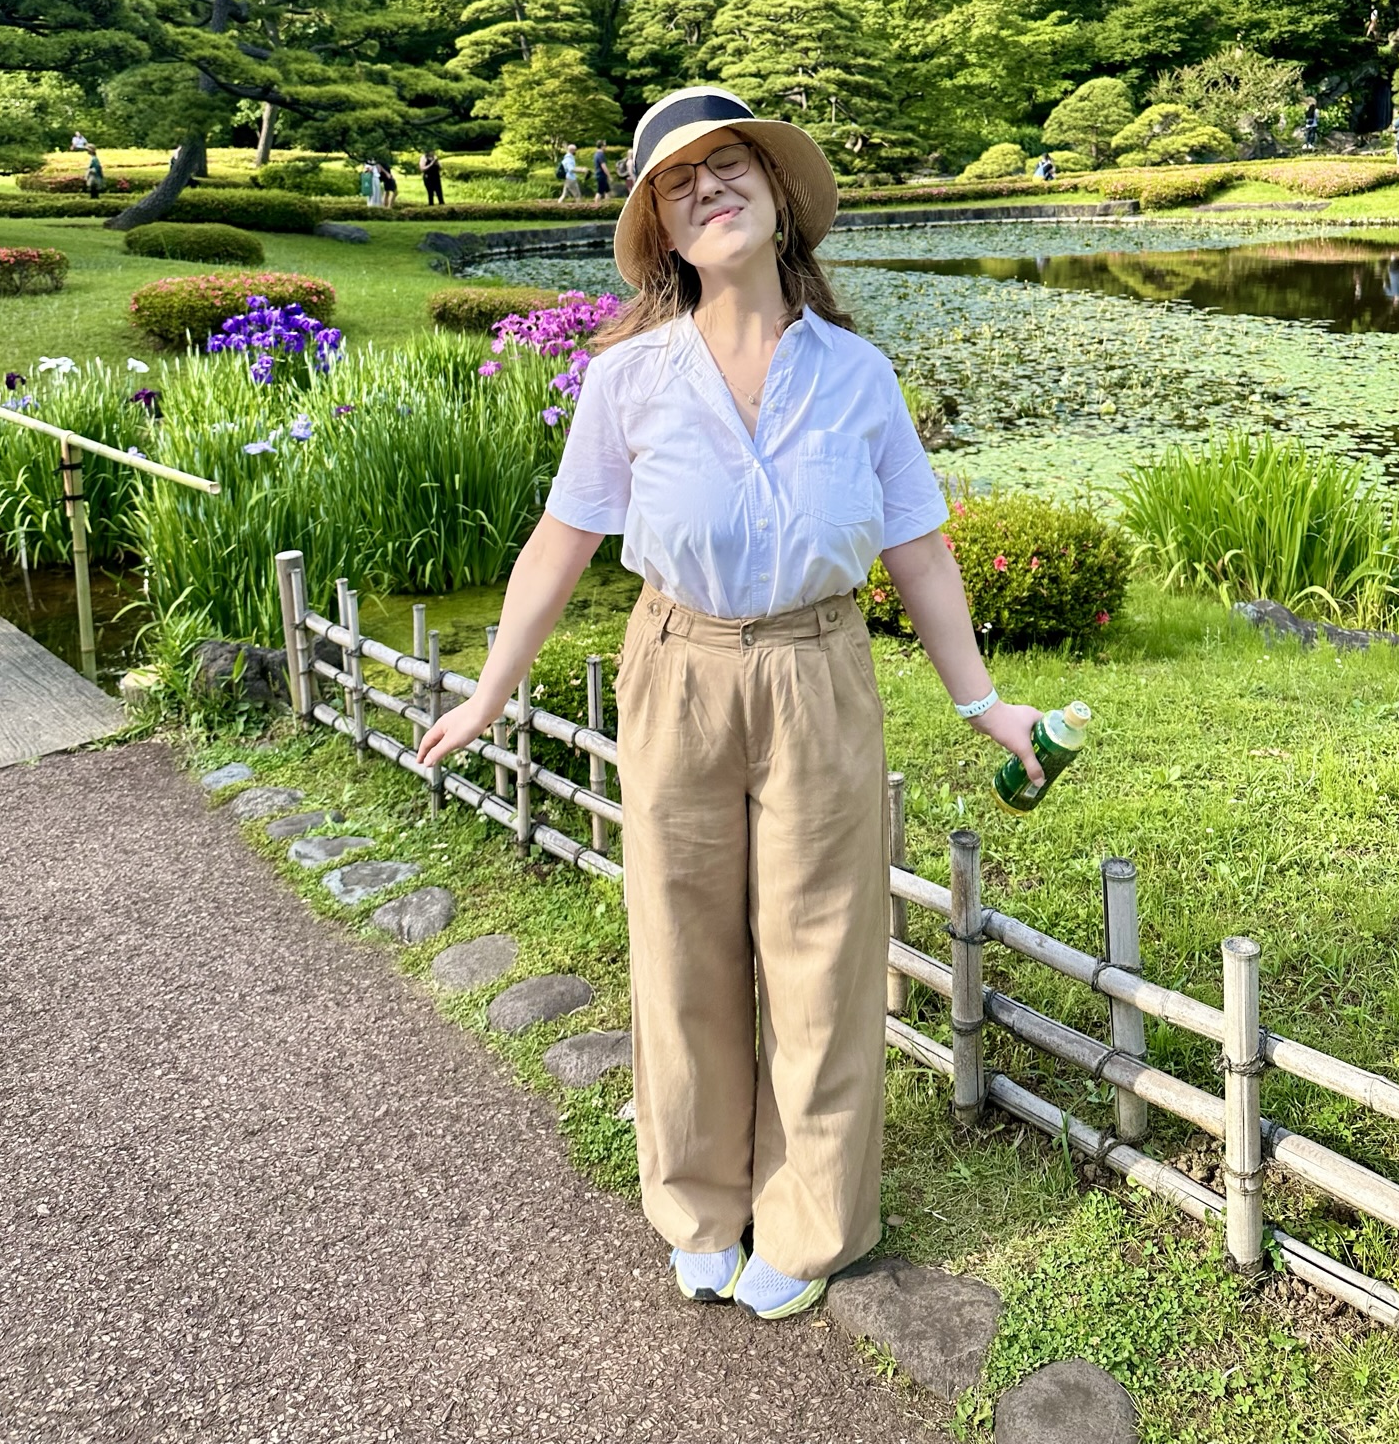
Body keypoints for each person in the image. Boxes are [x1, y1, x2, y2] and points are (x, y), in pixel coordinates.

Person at [417, 85, 1044, 1323]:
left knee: (822, 949)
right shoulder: (630, 379)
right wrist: (494, 686)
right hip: (679, 664)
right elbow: (561, 539)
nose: (708, 189)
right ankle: (701, 1199)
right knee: (682, 940)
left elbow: (919, 548)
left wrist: (984, 703)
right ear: (658, 226)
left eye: (729, 166)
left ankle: (810, 1219)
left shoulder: (858, 373)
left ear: (776, 191)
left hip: (819, 665)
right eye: (678, 181)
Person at [592, 139, 612, 204]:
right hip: (601, 175)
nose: (606, 147)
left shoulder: (596, 154)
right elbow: (603, 166)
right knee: (600, 192)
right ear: (601, 146)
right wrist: (609, 175)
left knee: (607, 191)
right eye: (605, 145)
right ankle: (595, 205)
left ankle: (607, 205)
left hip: (600, 175)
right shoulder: (600, 155)